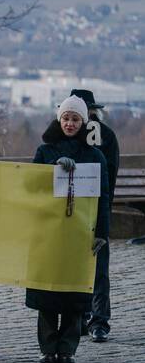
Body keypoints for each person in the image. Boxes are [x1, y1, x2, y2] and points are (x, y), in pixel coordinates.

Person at [26, 95, 110, 363]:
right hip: (49, 231)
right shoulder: (44, 151)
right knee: (48, 292)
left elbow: (103, 198)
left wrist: (101, 234)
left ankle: (67, 348)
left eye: (75, 119)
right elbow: (31, 187)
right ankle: (48, 347)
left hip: (80, 233)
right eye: (66, 118)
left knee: (74, 293)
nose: (70, 123)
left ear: (83, 122)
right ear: (58, 120)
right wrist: (54, 169)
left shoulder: (95, 155)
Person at [70, 89, 118, 343]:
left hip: (96, 208)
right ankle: (79, 315)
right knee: (74, 267)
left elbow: (109, 175)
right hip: (69, 210)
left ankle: (99, 320)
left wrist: (103, 212)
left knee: (99, 267)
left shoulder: (106, 137)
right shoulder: (61, 135)